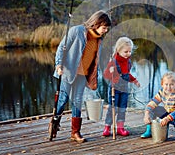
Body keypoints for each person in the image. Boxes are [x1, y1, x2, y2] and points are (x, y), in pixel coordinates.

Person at [48, 10, 112, 143]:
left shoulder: (99, 39)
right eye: (104, 27)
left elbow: (95, 57)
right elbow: (61, 48)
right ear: (96, 23)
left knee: (77, 101)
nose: (105, 30)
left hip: (83, 74)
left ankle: (75, 132)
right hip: (67, 71)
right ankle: (54, 124)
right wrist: (59, 64)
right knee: (62, 100)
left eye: (107, 28)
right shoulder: (76, 31)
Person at [102, 36, 140, 137]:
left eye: (130, 51)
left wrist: (134, 80)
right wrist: (110, 72)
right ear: (119, 50)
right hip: (115, 89)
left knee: (122, 108)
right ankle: (107, 127)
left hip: (124, 89)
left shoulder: (128, 62)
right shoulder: (113, 62)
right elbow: (106, 75)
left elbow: (127, 74)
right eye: (126, 52)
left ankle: (120, 128)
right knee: (112, 108)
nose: (128, 54)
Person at [140, 71, 175, 139]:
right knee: (152, 110)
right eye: (166, 84)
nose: (168, 87)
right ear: (162, 84)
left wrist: (167, 118)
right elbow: (153, 102)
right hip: (168, 112)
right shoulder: (162, 92)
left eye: (171, 84)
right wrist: (147, 113)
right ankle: (150, 129)